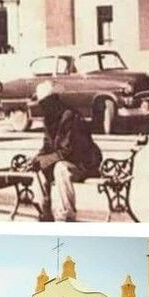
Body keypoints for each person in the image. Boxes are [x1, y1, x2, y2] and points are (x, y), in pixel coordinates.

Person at [30, 81, 102, 222]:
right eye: (42, 104)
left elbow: (68, 150)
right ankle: (45, 212)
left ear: (54, 100)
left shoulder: (70, 116)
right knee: (38, 167)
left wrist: (45, 160)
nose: (43, 107)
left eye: (45, 103)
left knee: (60, 169)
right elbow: (47, 147)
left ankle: (67, 216)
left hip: (84, 164)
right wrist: (37, 159)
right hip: (65, 161)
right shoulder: (49, 119)